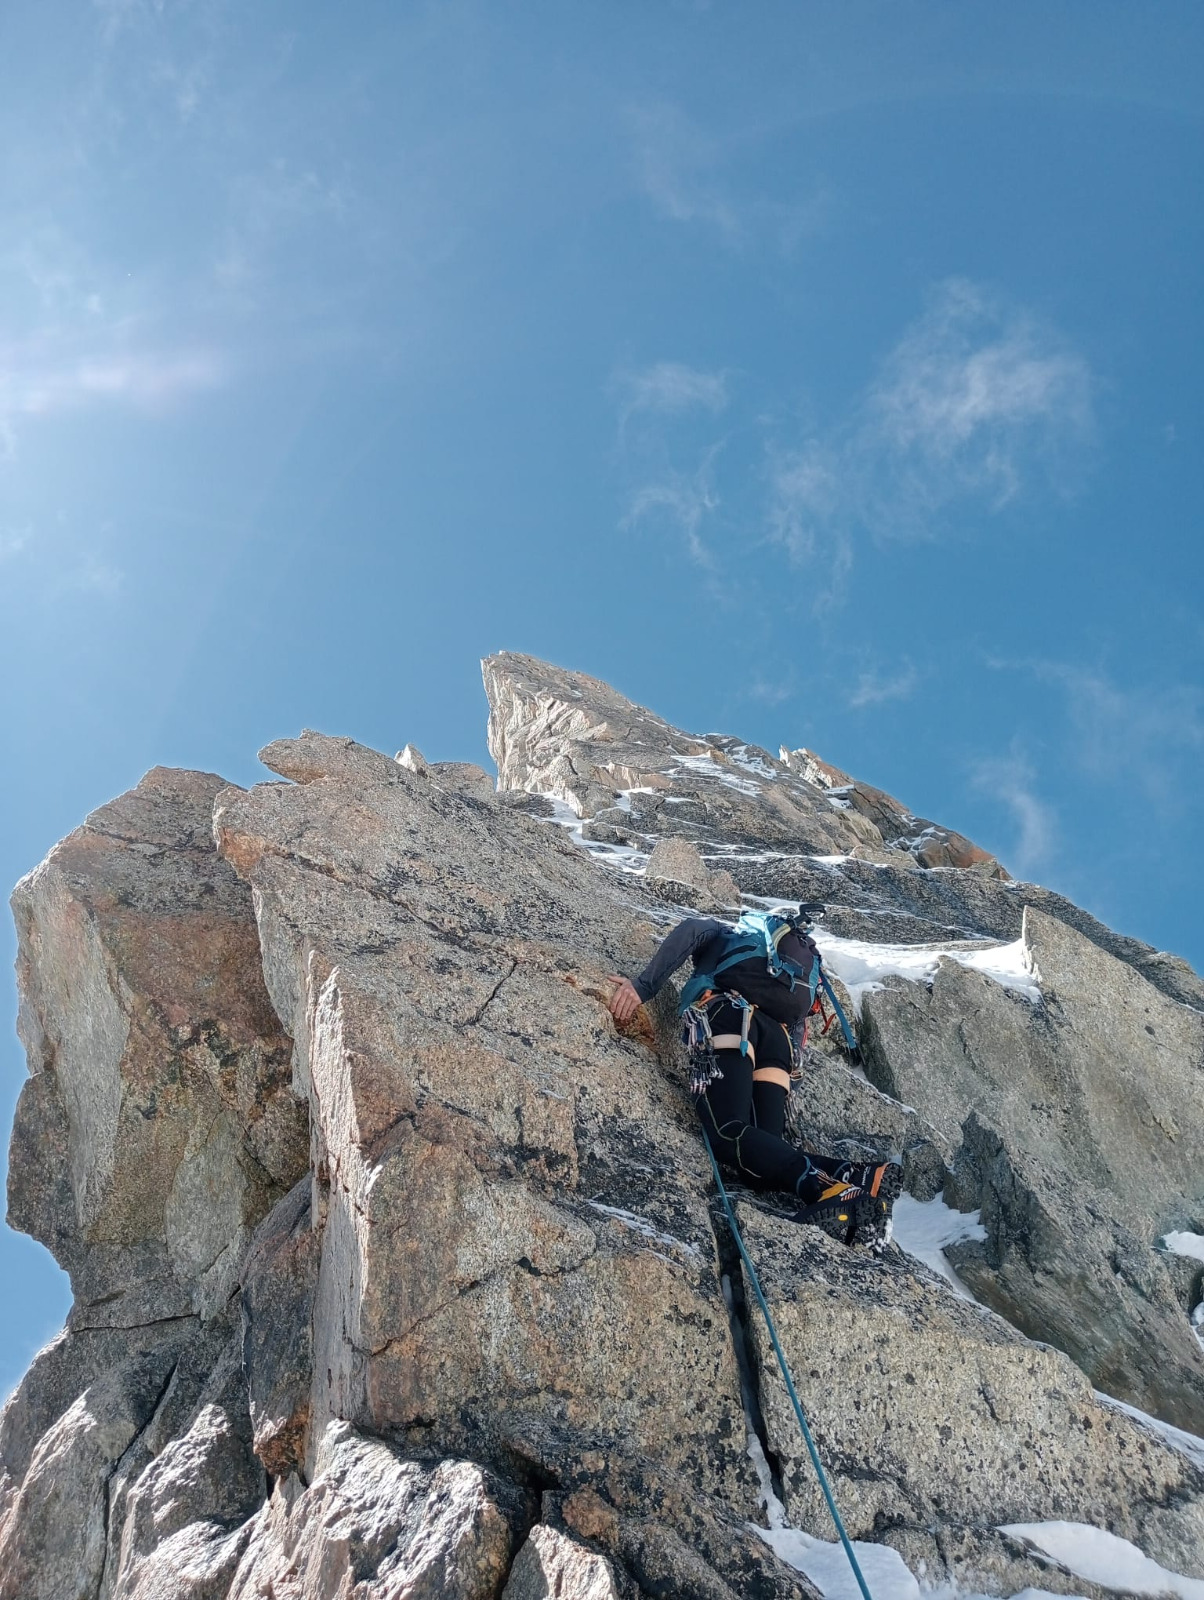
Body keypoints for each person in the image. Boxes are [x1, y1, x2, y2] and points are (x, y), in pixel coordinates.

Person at [608, 911, 901, 1246]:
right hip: (775, 1040)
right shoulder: (786, 971)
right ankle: (861, 1177)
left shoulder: (722, 933)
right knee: (762, 1159)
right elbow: (798, 1021)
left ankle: (825, 1187)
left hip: (728, 1016)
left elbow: (692, 929)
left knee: (726, 1131)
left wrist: (642, 986)